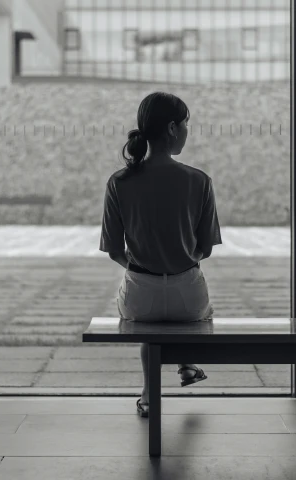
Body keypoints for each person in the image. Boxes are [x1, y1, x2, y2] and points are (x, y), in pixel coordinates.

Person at [98, 92, 223, 418]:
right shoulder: (199, 181)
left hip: (141, 296)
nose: (186, 130)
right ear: (172, 128)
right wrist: (180, 261)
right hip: (188, 297)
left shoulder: (119, 182)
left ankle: (149, 395)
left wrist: (140, 266)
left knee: (149, 326)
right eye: (186, 124)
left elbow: (113, 250)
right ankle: (186, 363)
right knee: (195, 314)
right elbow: (205, 248)